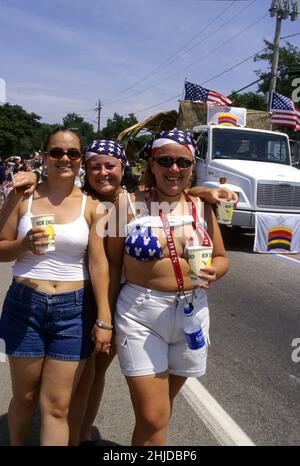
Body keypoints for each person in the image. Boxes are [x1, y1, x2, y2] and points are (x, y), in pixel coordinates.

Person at [11, 136, 237, 446]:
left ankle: (83, 433)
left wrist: (204, 193)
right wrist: (106, 316)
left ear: (124, 167)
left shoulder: (144, 200)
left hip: (162, 307)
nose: (103, 173)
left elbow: (180, 194)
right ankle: (76, 437)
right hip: (105, 303)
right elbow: (109, 262)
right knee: (84, 378)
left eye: (110, 166)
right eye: (94, 166)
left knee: (100, 378)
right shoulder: (98, 201)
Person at [108, 129, 229, 446]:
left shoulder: (201, 208)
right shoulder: (127, 205)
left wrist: (215, 269)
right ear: (152, 163)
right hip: (140, 315)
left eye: (182, 162)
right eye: (165, 160)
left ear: (192, 166)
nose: (174, 168)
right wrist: (103, 321)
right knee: (153, 416)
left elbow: (221, 256)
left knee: (158, 415)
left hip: (192, 315)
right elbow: (109, 266)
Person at [0, 127, 111, 446]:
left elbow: (98, 263)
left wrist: (103, 317)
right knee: (25, 398)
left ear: (81, 160)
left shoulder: (94, 206)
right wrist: (22, 245)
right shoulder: (23, 197)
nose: (65, 158)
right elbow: (0, 248)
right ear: (45, 156)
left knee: (58, 407)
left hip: (74, 311)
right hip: (25, 305)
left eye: (73, 153)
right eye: (57, 152)